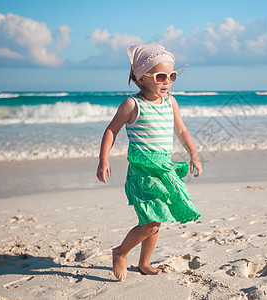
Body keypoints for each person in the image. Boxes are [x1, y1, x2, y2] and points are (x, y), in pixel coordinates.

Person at [96, 44, 202, 282]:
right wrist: (104, 159)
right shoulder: (133, 105)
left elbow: (182, 130)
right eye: (161, 76)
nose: (167, 82)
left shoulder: (170, 103)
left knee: (156, 219)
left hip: (164, 168)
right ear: (141, 78)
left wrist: (193, 155)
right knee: (151, 223)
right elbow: (111, 130)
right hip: (143, 170)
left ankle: (144, 263)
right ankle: (121, 252)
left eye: (171, 76)